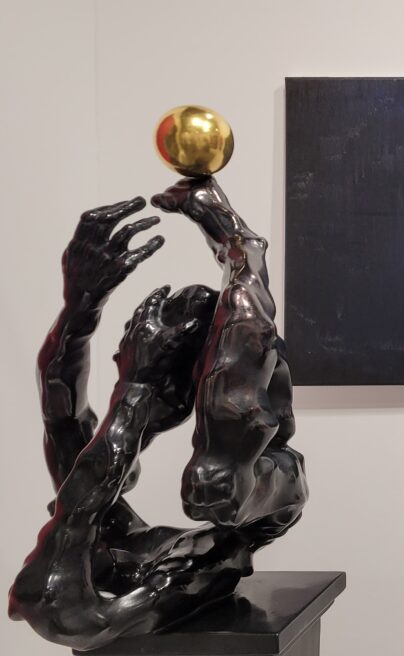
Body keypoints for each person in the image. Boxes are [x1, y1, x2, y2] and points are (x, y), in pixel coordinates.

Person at [8, 178, 307, 651]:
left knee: (213, 486)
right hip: (189, 502)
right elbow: (61, 415)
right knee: (212, 482)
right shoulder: (118, 531)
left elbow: (55, 607)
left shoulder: (208, 543)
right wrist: (81, 306)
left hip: (228, 493)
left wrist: (137, 390)